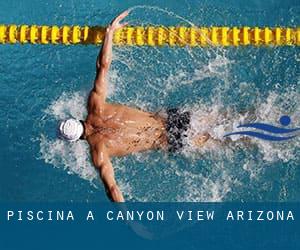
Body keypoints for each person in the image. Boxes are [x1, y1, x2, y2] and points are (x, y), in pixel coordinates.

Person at [58, 11, 210, 202]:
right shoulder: (95, 105)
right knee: (226, 118)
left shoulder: (99, 152)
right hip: (172, 118)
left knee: (228, 141)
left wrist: (130, 222)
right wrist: (109, 33)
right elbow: (103, 66)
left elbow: (112, 189)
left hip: (171, 140)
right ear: (76, 119)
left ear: (76, 140)